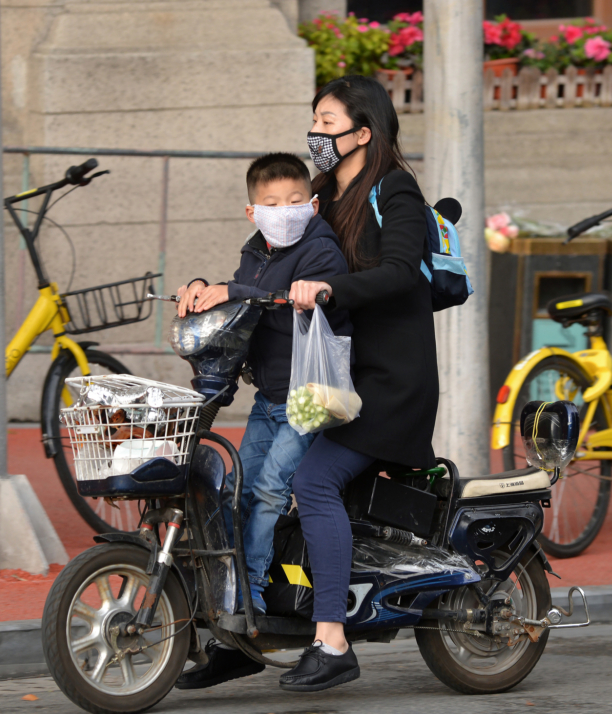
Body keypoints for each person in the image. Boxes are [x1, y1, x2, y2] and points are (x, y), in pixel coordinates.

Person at [277, 75, 440, 693]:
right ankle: (246, 633)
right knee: (264, 479)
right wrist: (214, 288)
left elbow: (400, 271)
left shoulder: (395, 190)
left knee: (313, 481)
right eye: (314, 121)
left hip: (391, 382)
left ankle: (333, 642)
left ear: (362, 133)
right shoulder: (319, 193)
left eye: (326, 122)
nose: (315, 133)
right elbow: (269, 252)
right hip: (335, 376)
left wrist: (329, 287)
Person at [174, 152, 351, 690]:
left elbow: (286, 300)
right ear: (252, 211)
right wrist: (202, 289)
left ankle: (245, 596)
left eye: (296, 201)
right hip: (270, 398)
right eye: (272, 204)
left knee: (273, 488)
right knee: (235, 486)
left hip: (309, 397)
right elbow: (240, 304)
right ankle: (234, 615)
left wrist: (238, 292)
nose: (285, 211)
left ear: (313, 203)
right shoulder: (254, 253)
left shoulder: (321, 249)